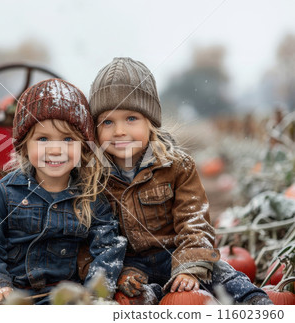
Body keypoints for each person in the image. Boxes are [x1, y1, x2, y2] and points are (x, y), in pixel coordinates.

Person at [86, 57, 272, 305]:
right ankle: (153, 295)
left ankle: (256, 304)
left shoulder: (177, 167)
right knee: (130, 295)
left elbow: (195, 221)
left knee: (221, 272)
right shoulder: (94, 178)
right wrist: (118, 273)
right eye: (108, 121)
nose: (119, 131)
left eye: (131, 118)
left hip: (177, 252)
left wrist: (189, 265)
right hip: (130, 263)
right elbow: (91, 237)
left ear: (150, 121)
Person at [0, 78, 126, 305]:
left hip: (61, 296)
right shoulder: (6, 192)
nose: (55, 149)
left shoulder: (90, 197)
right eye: (43, 139)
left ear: (82, 147)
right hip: (10, 292)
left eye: (67, 139)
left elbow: (107, 249)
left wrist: (93, 294)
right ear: (24, 146)